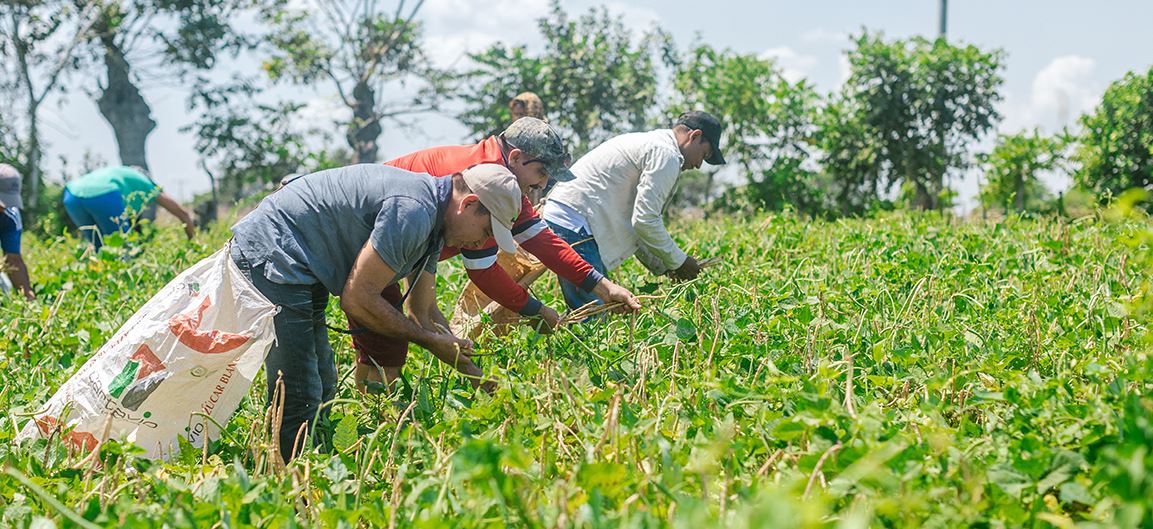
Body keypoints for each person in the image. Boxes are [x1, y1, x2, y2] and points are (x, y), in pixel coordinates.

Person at [231, 163, 525, 461]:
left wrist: (476, 376)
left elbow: (423, 311)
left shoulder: (436, 223)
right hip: (274, 251)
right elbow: (358, 300)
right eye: (486, 231)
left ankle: (310, 464)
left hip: (304, 261)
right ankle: (283, 479)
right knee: (300, 390)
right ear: (469, 204)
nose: (480, 243)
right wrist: (429, 341)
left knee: (323, 378)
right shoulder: (414, 211)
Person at [349, 118, 641, 392]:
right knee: (385, 344)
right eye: (541, 172)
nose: (543, 184)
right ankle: (375, 415)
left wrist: (604, 287)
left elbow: (543, 242)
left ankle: (376, 408)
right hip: (375, 237)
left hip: (407, 247)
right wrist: (536, 311)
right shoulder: (485, 188)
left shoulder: (503, 186)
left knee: (408, 326)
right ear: (514, 158)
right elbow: (484, 271)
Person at [541, 111, 727, 310]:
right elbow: (645, 221)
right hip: (575, 223)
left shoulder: (654, 145)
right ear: (695, 136)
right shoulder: (667, 155)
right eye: (704, 155)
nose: (699, 164)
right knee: (591, 316)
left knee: (601, 308)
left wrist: (667, 266)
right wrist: (680, 262)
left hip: (573, 220)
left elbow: (638, 228)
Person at [62, 166, 195, 250]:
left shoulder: (118, 172)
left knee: (99, 248)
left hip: (71, 194)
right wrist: (192, 242)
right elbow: (182, 213)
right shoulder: (143, 181)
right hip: (104, 194)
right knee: (122, 248)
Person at [0, 163, 34, 300]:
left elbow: (13, 260)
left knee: (5, 289)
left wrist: (27, 294)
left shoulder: (10, 217)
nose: (3, 207)